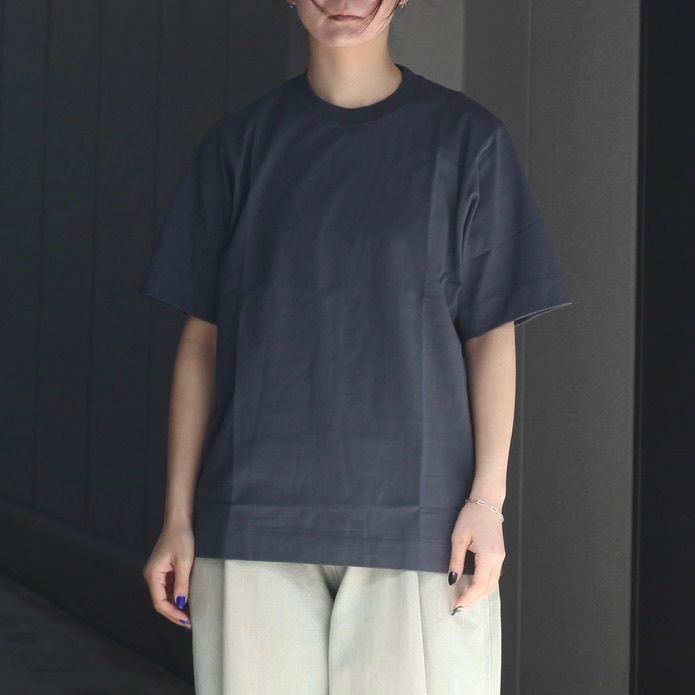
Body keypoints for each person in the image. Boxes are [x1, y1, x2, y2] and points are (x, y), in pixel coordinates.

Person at [140, 1, 572, 693]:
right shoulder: (239, 146)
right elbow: (201, 343)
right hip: (252, 518)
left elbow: (490, 333)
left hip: (420, 523)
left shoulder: (467, 141)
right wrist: (177, 517)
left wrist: (487, 503)